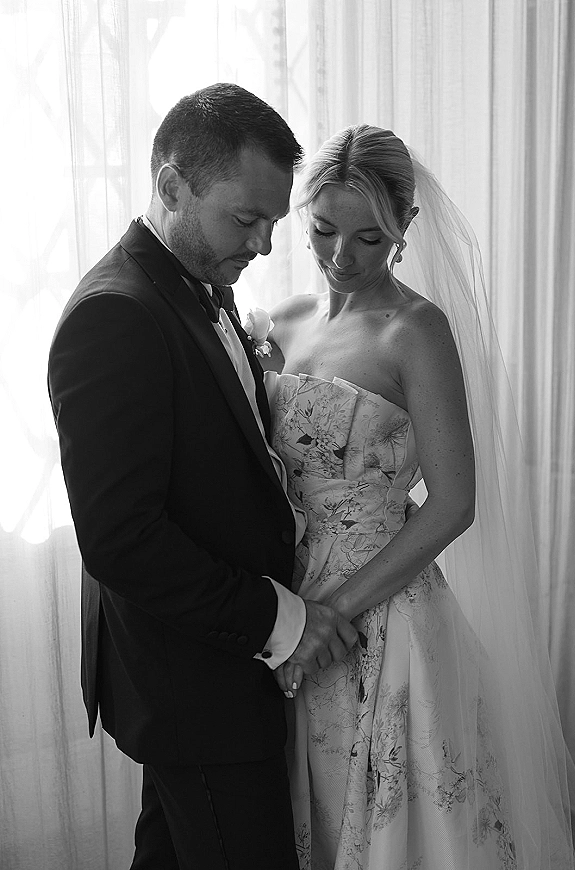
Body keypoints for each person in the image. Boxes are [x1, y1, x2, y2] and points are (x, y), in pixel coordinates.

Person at [47, 83, 358, 870]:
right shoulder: (114, 316)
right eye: (244, 218)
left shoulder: (200, 287)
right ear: (171, 186)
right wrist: (283, 622)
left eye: (273, 222)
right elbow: (122, 539)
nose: (261, 244)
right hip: (200, 682)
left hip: (210, 674)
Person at [263, 125, 575, 869]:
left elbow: (453, 502)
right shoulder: (279, 325)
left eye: (370, 237)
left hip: (383, 604)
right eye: (324, 231)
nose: (343, 257)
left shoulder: (416, 330)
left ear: (405, 228)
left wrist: (335, 611)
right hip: (284, 594)